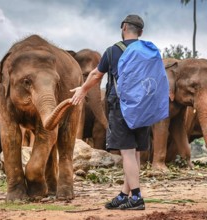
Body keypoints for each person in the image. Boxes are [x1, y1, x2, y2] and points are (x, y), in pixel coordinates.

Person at [71, 14, 149, 210]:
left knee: (128, 153)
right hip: (144, 106)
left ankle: (137, 198)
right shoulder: (147, 50)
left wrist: (83, 89)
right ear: (140, 32)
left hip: (122, 106)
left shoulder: (113, 51)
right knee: (135, 152)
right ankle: (125, 195)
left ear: (124, 27)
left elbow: (97, 74)